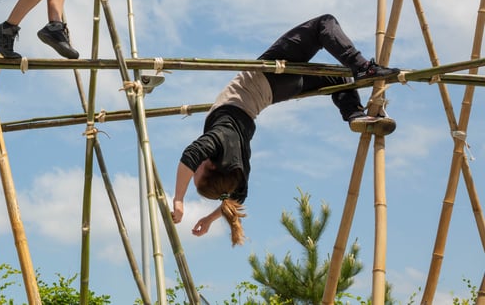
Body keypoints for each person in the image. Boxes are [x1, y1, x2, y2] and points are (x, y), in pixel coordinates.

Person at [171, 14, 399, 246]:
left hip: (273, 93)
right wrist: (178, 200)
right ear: (210, 166)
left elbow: (238, 197)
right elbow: (190, 156)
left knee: (336, 76)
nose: (195, 170)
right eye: (197, 175)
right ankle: (363, 67)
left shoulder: (238, 169)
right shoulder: (219, 138)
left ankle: (354, 114)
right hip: (266, 77)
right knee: (323, 24)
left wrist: (211, 218)